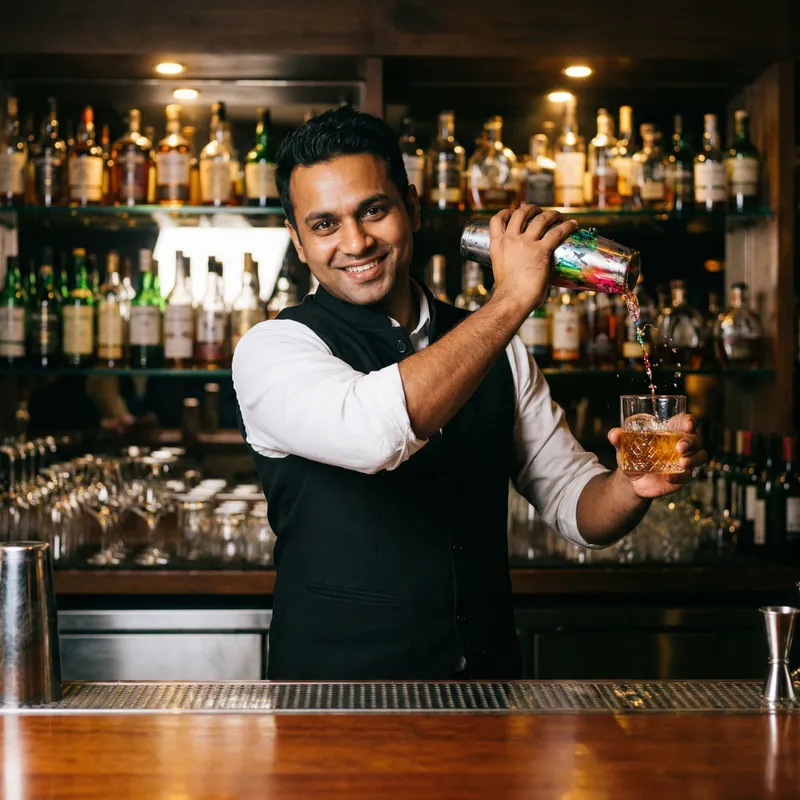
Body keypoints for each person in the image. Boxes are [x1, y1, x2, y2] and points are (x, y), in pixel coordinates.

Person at [232, 107, 706, 681]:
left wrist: (630, 486)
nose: (355, 242)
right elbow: (378, 433)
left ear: (411, 207)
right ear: (299, 241)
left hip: (485, 694)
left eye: (373, 210)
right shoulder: (273, 350)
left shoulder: (499, 348)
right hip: (333, 697)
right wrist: (511, 299)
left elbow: (574, 504)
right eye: (325, 224)